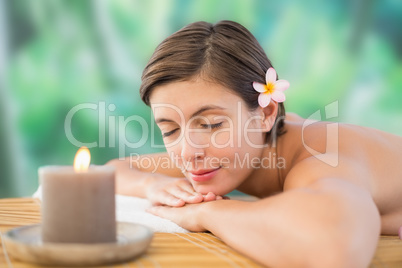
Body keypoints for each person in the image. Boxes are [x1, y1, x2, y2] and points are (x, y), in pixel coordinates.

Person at [107, 20, 402, 267]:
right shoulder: (228, 151)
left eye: (211, 125)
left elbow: (334, 248)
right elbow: (116, 169)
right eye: (170, 130)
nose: (186, 152)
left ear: (265, 114)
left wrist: (205, 213)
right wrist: (153, 186)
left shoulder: (319, 157)